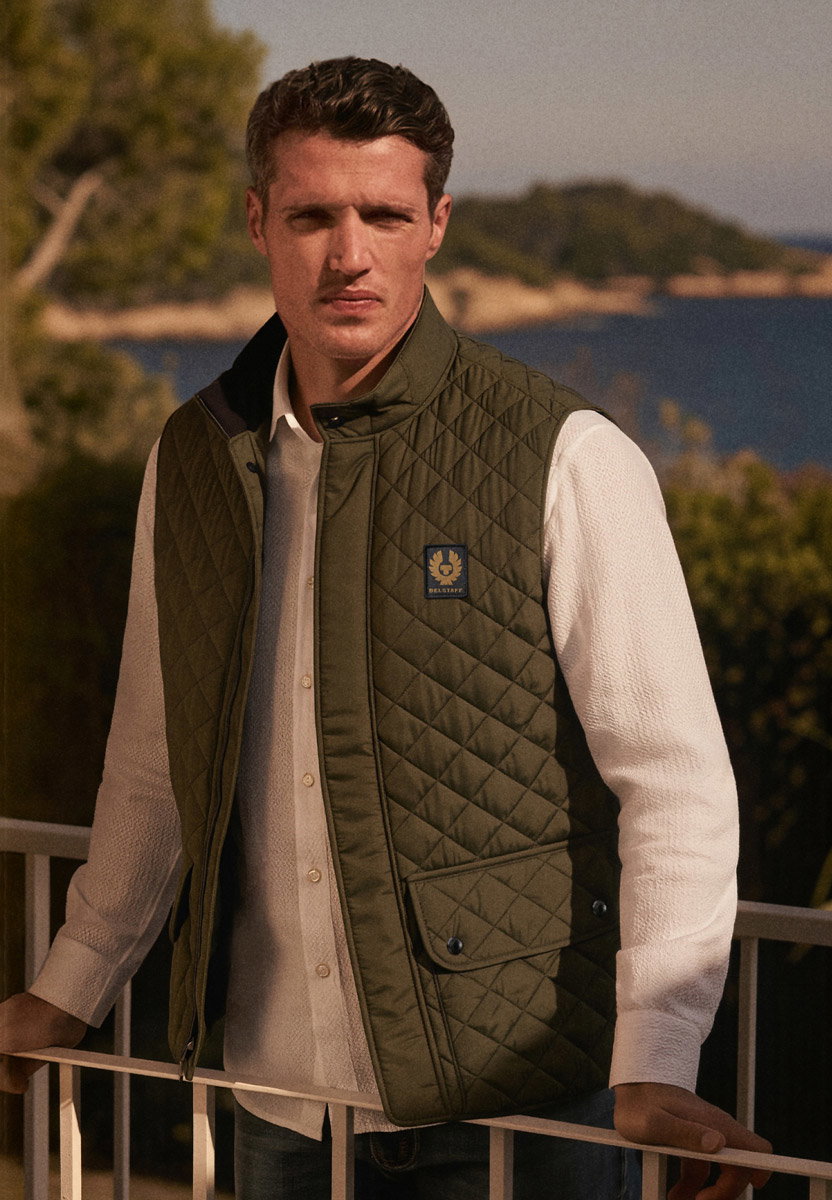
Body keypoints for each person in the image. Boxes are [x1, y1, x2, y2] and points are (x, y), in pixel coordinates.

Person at [0, 57, 771, 1200]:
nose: (348, 253)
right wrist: (71, 985)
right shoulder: (193, 459)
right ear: (259, 221)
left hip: (516, 1116)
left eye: (384, 215)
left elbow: (674, 780)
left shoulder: (567, 457)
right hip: (276, 1108)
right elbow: (156, 762)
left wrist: (655, 1061)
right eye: (313, 214)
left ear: (437, 226)